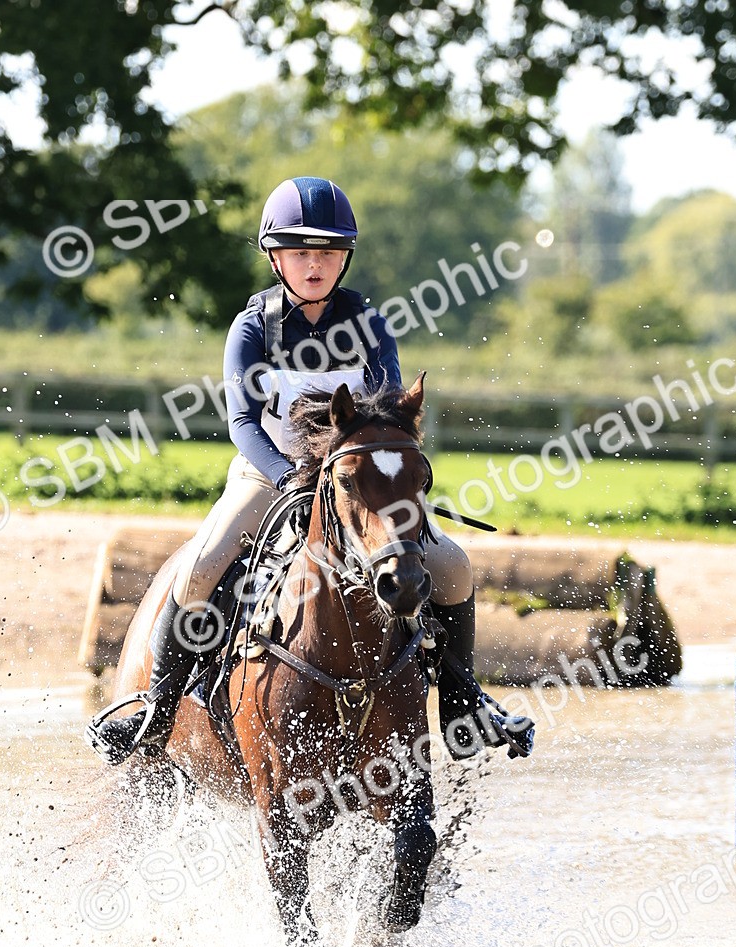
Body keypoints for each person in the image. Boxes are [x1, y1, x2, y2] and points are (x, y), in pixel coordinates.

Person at [88, 175, 510, 764]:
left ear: (345, 258)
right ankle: (157, 711)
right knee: (201, 569)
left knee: (452, 566)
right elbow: (242, 424)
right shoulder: (252, 329)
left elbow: (385, 413)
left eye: (329, 252)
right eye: (302, 252)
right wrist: (288, 475)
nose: (316, 265)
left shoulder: (371, 326)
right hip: (267, 473)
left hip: (356, 483)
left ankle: (462, 706)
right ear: (275, 256)